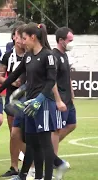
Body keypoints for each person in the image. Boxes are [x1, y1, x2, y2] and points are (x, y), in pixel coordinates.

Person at [0, 22, 58, 180]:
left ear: (33, 37)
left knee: (45, 143)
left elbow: (51, 81)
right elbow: (14, 75)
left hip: (43, 104)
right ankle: (36, 177)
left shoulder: (48, 55)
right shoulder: (28, 56)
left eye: (24, 38)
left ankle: (47, 177)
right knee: (31, 142)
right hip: (29, 104)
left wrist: (39, 100)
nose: (22, 42)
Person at [0, 23, 27, 178]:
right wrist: (10, 81)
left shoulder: (31, 54)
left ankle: (31, 165)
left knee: (27, 132)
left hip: (28, 96)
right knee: (13, 133)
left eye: (23, 36)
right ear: (14, 37)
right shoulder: (8, 55)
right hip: (12, 96)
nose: (20, 39)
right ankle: (14, 166)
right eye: (17, 35)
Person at [52, 27, 75, 173]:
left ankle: (46, 151)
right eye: (70, 40)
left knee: (72, 124)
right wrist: (58, 100)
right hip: (60, 99)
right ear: (61, 41)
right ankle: (53, 159)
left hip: (68, 99)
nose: (72, 43)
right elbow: (51, 80)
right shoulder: (54, 56)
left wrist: (71, 91)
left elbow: (66, 76)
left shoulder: (64, 55)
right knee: (56, 130)